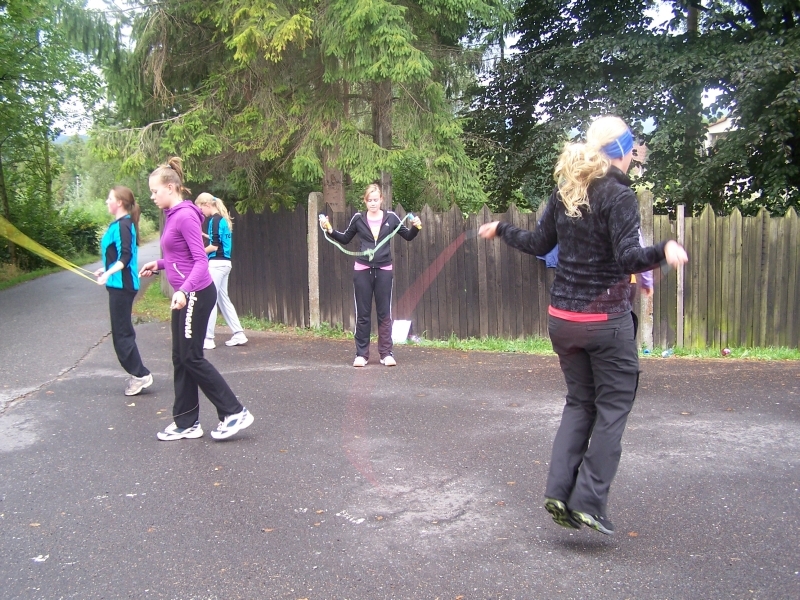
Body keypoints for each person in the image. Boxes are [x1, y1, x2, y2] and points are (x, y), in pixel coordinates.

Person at [479, 116, 688, 535]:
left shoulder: (568, 188)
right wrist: (664, 249)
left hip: (563, 321)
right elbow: (628, 259)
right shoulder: (619, 195)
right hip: (604, 323)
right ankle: (588, 501)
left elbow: (539, 244)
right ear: (625, 150)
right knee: (612, 407)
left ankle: (559, 493)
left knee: (580, 403)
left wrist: (502, 228)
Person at [139, 157, 254, 441]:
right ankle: (187, 422)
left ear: (170, 187)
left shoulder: (186, 216)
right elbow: (180, 256)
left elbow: (201, 261)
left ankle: (234, 412)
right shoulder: (173, 215)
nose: (152, 196)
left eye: (155, 191)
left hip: (195, 293)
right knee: (180, 357)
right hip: (184, 295)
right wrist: (159, 264)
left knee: (192, 356)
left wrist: (183, 290)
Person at [319, 184, 422, 367]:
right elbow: (345, 238)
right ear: (365, 201)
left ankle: (386, 354)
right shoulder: (358, 219)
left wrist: (415, 227)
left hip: (384, 270)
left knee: (384, 314)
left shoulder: (391, 217)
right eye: (369, 200)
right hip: (362, 270)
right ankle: (361, 355)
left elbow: (408, 236)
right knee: (363, 314)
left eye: (376, 200)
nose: (373, 203)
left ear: (381, 200)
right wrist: (329, 229)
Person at [94, 186, 153, 396]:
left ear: (119, 202)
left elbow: (126, 257)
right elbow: (116, 255)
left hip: (123, 287)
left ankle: (140, 374)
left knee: (122, 334)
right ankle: (138, 373)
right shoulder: (119, 225)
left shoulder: (124, 225)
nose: (106, 201)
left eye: (109, 198)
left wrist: (109, 273)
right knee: (121, 333)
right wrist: (106, 269)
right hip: (117, 286)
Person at [194, 193, 248, 350]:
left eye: (201, 208)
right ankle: (239, 333)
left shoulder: (214, 221)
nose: (201, 212)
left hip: (216, 264)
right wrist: (206, 235)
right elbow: (219, 240)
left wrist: (198, 254)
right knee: (223, 299)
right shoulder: (222, 220)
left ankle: (208, 338)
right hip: (225, 263)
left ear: (207, 205)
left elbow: (214, 246)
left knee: (210, 299)